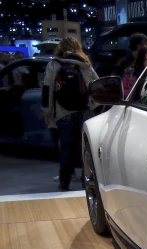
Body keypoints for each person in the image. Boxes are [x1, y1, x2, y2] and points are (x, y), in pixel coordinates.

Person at [42, 37, 98, 191]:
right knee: (83, 148)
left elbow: (47, 89)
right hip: (83, 110)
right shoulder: (85, 65)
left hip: (62, 112)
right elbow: (96, 85)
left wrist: (47, 111)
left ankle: (64, 182)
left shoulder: (54, 64)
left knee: (65, 148)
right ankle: (85, 182)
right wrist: (95, 106)